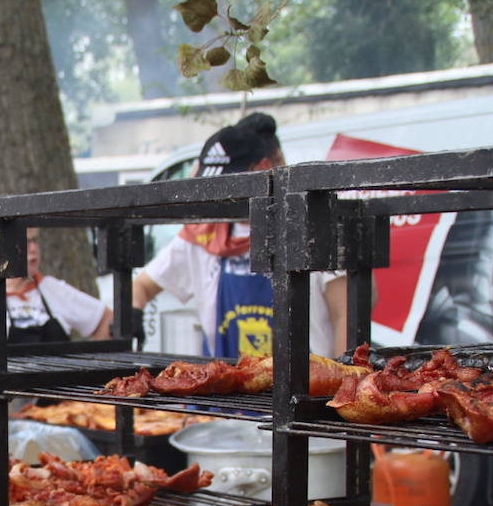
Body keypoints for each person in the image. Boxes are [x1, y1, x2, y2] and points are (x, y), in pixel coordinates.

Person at [131, 113, 349, 359]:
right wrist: (133, 313)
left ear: (263, 169)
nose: (217, 196)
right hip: (228, 389)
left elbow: (345, 315)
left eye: (225, 184)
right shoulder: (204, 236)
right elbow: (141, 286)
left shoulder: (314, 228)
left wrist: (341, 384)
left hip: (305, 390)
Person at [0, 227, 113, 348]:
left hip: (58, 402)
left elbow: (106, 319)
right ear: (1, 247)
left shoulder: (51, 288)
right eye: (26, 242)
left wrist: (89, 366)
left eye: (35, 240)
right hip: (2, 403)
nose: (34, 248)